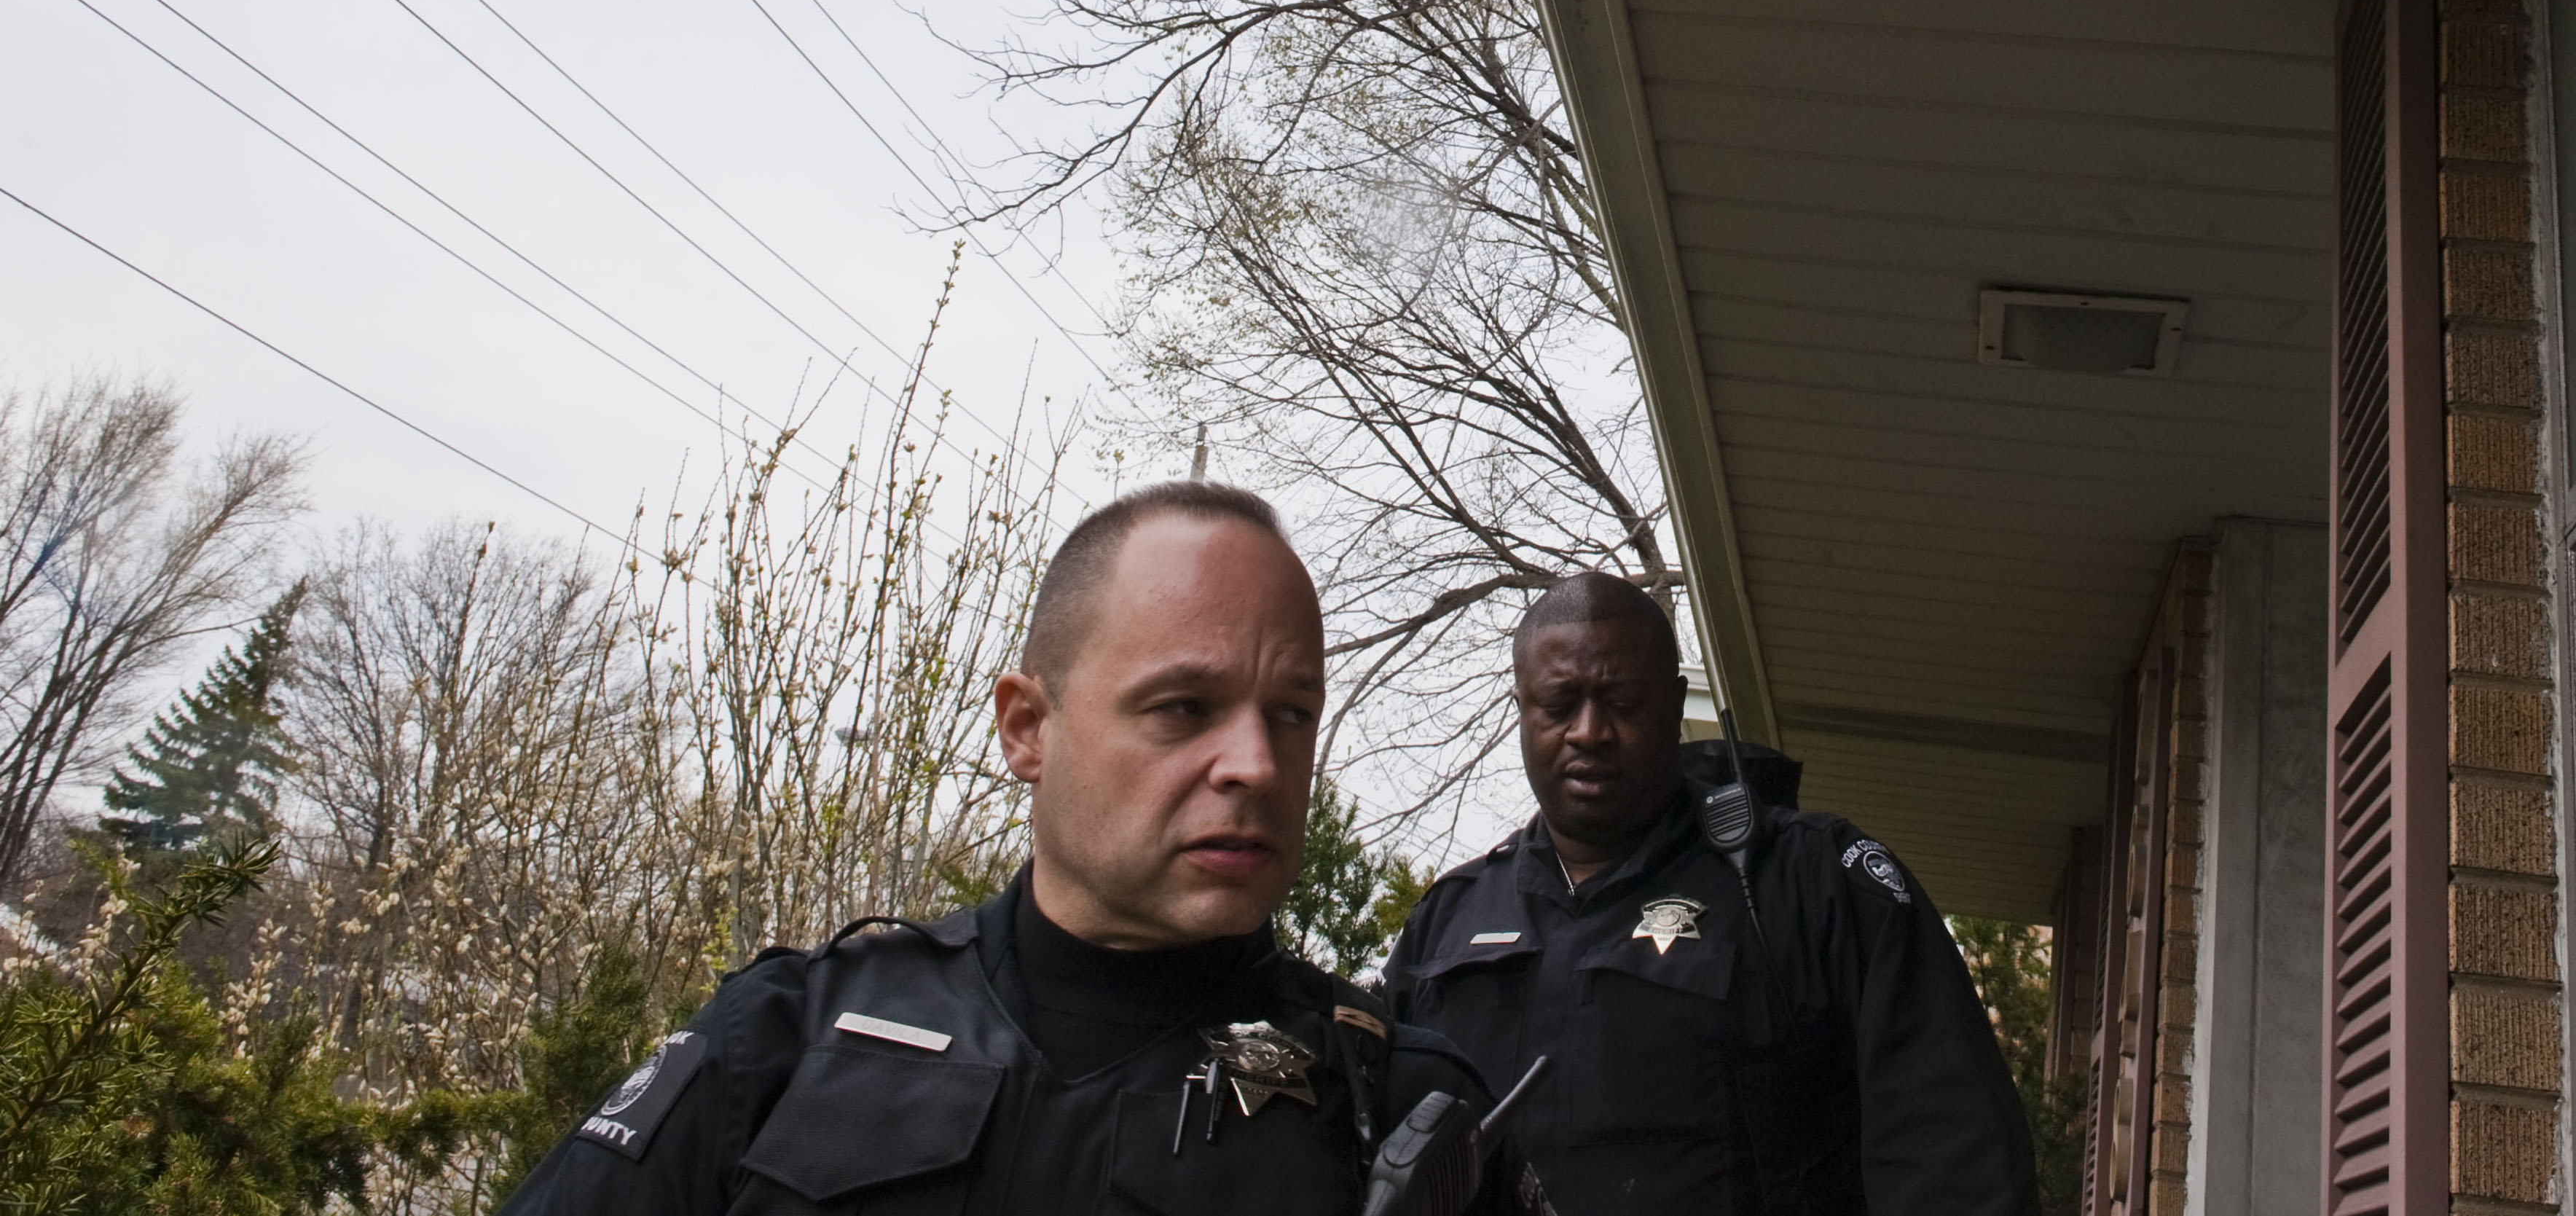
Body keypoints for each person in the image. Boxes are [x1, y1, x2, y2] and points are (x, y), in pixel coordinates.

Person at [503, 481, 1544, 1215]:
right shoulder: (787, 1039)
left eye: (1291, 713)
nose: (1256, 765)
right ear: (1026, 727)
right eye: (1184, 708)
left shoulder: (1403, 1109)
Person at [1383, 575, 2039, 1215]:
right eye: (1558, 704)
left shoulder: (1810, 882)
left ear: (1673, 704)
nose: (1589, 730)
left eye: (1621, 701)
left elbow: (1953, 1158)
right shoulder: (1447, 921)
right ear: (1521, 707)